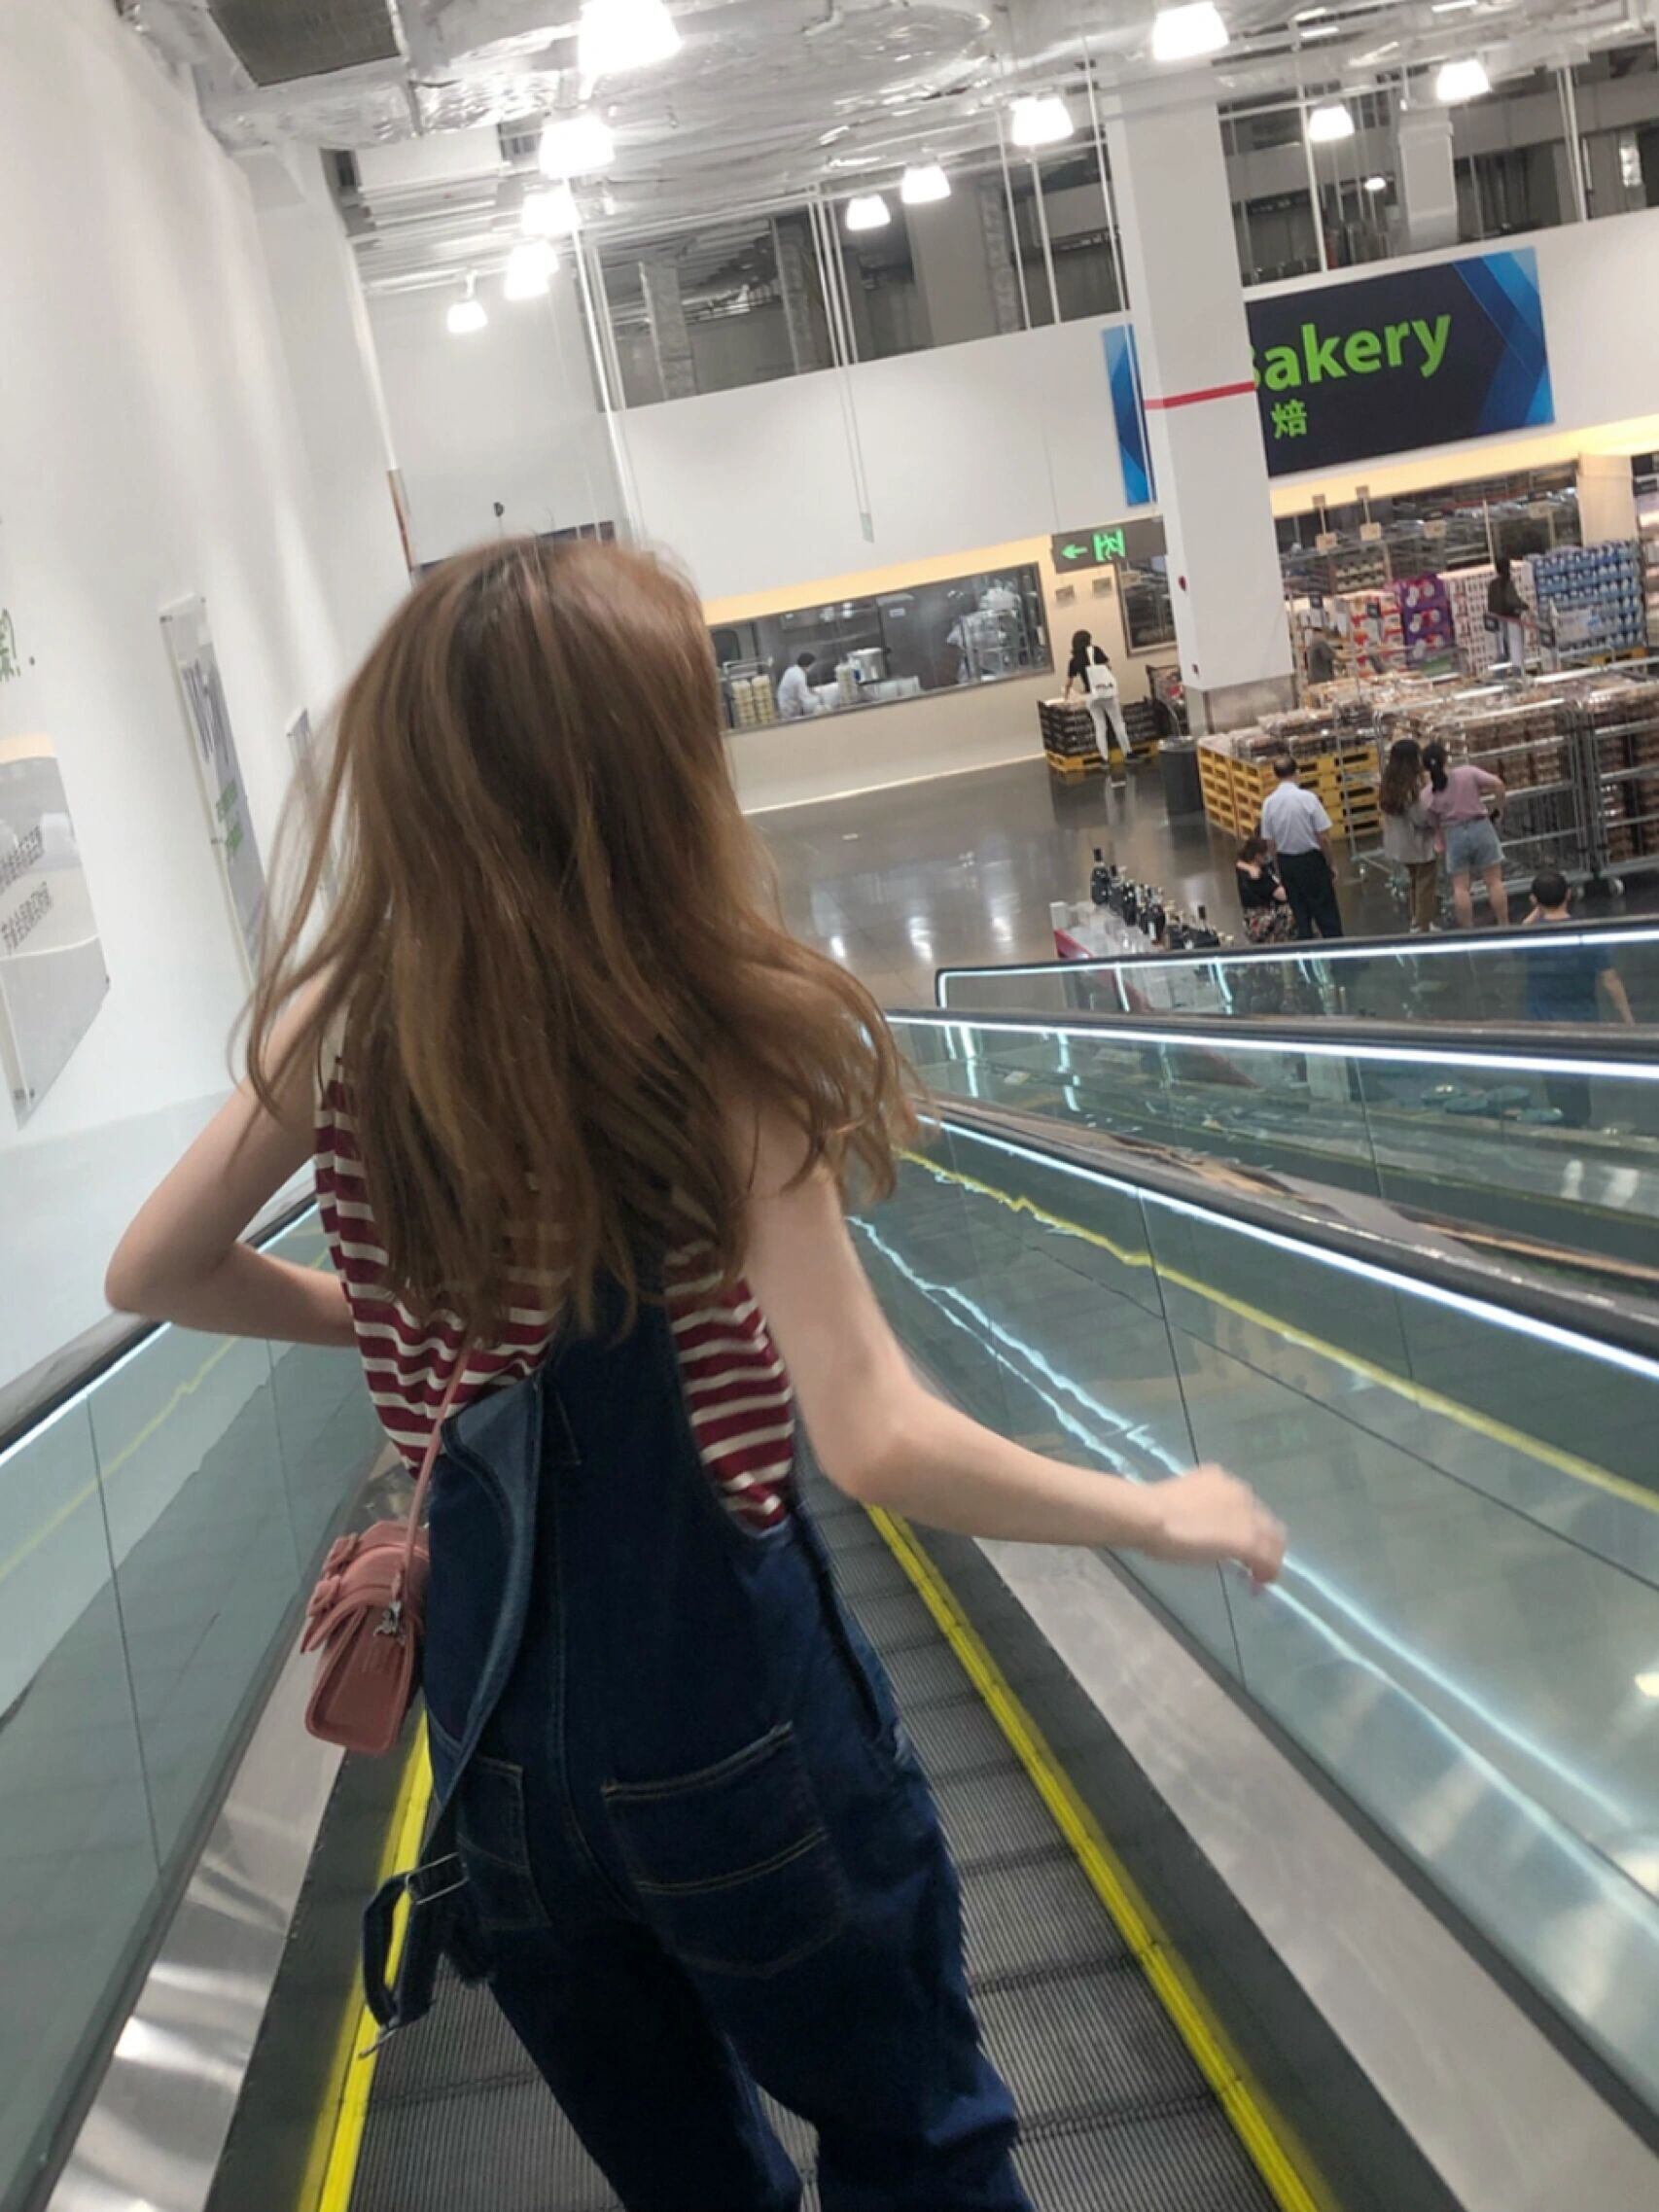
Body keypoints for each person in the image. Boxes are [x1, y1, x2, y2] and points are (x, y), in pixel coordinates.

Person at [103, 541, 1284, 2212]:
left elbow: (152, 1272)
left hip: (496, 1756)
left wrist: (398, 1333)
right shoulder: (714, 1040)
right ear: (644, 771)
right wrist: (1153, 1511)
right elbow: (874, 1440)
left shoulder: (343, 1023)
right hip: (735, 1733)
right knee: (916, 2143)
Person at [1521, 869, 1635, 1024]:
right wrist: (1628, 1019)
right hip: (1583, 1020)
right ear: (1568, 894)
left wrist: (1539, 905)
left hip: (1542, 1023)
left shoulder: (1529, 936)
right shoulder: (1586, 933)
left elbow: (1523, 927)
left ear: (1533, 900)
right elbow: (1610, 979)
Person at [1422, 740, 1508, 929]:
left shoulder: (1427, 794)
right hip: (1481, 827)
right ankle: (1504, 925)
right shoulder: (1467, 773)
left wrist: (1440, 841)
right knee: (1494, 881)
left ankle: (1468, 931)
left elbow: (1432, 822)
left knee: (1460, 887)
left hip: (1453, 834)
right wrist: (1498, 809)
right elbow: (1498, 784)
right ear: (1446, 758)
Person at [1258, 755, 1343, 940]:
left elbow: (1270, 842)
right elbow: (1323, 837)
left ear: (1275, 775)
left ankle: (1306, 954)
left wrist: (1279, 869)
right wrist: (1330, 863)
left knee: (1300, 915)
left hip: (1287, 862)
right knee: (1326, 913)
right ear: (1297, 772)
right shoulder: (1308, 799)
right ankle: (1337, 952)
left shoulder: (1269, 804)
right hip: (1311, 861)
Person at [1377, 738, 1439, 933]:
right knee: (1425, 885)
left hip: (1399, 844)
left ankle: (1416, 920)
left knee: (1414, 881)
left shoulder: (1388, 782)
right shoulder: (1413, 784)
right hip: (1418, 843)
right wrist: (1435, 821)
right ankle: (1422, 925)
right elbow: (1420, 817)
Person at [1062, 627, 1128, 771]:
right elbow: (1108, 667)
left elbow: (1068, 682)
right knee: (1117, 723)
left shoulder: (1074, 660)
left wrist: (1065, 697)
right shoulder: (1096, 651)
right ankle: (1128, 753)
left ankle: (1105, 758)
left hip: (1090, 696)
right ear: (1088, 640)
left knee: (1099, 726)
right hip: (1106, 692)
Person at [1486, 557, 1529, 673]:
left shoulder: (1493, 585)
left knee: (1503, 651)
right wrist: (1524, 606)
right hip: (1511, 621)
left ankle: (1500, 674)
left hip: (1497, 622)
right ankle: (1518, 674)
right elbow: (1511, 601)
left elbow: (1491, 604)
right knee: (1515, 650)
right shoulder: (1507, 582)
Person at [776, 650, 818, 720]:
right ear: (807, 665)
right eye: (812, 666)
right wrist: (817, 699)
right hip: (789, 707)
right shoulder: (799, 678)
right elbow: (805, 699)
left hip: (784, 702)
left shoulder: (792, 670)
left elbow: (796, 688)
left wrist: (808, 690)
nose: (812, 668)